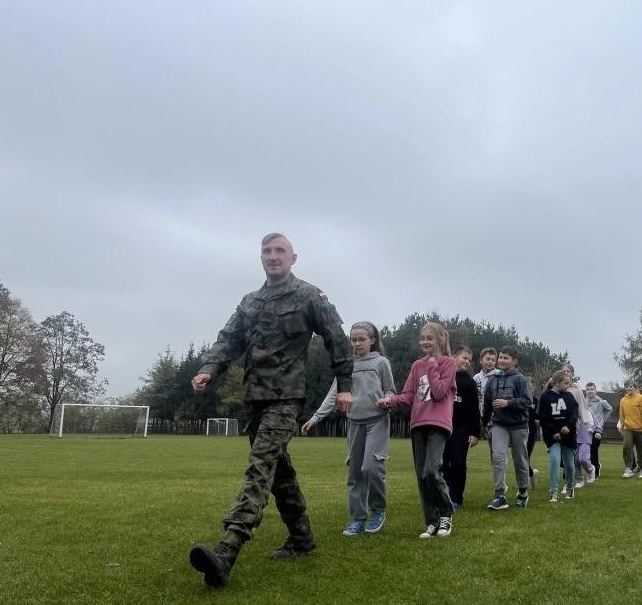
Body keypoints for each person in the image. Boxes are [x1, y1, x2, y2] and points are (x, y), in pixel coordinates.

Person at [188, 233, 354, 588]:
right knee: (279, 471)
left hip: (286, 398)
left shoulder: (310, 295)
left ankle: (227, 550)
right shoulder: (250, 301)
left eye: (280, 251)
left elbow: (336, 339)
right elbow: (227, 339)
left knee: (260, 467)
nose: (273, 256)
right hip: (254, 398)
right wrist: (208, 369)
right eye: (267, 251)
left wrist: (345, 387)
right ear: (260, 258)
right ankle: (302, 536)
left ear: (293, 258)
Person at [301, 321, 395, 535]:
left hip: (377, 421)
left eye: (361, 339)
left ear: (372, 340)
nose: (357, 343)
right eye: (353, 340)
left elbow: (390, 390)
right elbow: (334, 393)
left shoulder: (381, 363)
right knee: (354, 472)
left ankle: (378, 511)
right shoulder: (346, 365)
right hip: (354, 423)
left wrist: (387, 400)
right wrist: (316, 418)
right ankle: (358, 518)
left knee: (371, 468)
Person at [377, 322, 457, 538]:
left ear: (440, 339)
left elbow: (439, 392)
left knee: (432, 471)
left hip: (439, 424)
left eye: (429, 338)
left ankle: (446, 513)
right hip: (418, 425)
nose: (424, 342)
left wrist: (432, 365)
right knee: (422, 478)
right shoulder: (416, 365)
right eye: (422, 338)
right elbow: (410, 395)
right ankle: (431, 522)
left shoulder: (449, 363)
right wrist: (390, 400)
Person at [482, 345, 533, 509]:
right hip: (498, 425)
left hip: (519, 426)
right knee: (497, 457)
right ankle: (500, 495)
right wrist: (483, 425)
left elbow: (528, 402)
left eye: (506, 358)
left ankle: (523, 492)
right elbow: (487, 405)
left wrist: (508, 403)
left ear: (514, 361)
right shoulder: (492, 380)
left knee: (520, 460)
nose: (502, 360)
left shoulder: (520, 379)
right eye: (501, 357)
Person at [441, 346, 482, 510]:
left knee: (458, 462)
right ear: (454, 357)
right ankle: (445, 493)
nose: (467, 361)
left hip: (462, 429)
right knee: (442, 464)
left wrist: (475, 432)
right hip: (443, 428)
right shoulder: (444, 376)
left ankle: (456, 498)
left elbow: (474, 409)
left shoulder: (469, 382)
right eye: (464, 358)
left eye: (469, 360)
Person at [539, 371, 579, 501]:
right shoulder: (545, 397)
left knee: (569, 465)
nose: (568, 386)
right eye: (566, 383)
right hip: (553, 437)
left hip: (568, 436)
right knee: (555, 460)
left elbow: (574, 413)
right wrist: (554, 431)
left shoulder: (569, 397)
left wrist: (568, 426)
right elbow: (544, 418)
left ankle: (569, 487)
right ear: (557, 382)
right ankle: (554, 491)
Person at [561, 364, 595, 488]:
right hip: (565, 428)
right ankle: (578, 479)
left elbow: (584, 409)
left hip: (580, 427)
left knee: (581, 458)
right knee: (571, 458)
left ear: (572, 374)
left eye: (568, 371)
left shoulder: (576, 391)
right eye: (563, 371)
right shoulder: (558, 390)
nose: (565, 373)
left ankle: (591, 470)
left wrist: (589, 424)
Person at [618, 380, 642, 479]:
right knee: (626, 447)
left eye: (630, 386)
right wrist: (622, 427)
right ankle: (629, 468)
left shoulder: (640, 398)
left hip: (640, 429)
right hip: (627, 428)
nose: (628, 388)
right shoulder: (623, 400)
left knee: (640, 450)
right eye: (626, 386)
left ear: (635, 387)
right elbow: (622, 415)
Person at [585, 382, 614, 480]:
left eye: (592, 389)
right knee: (587, 452)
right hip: (586, 430)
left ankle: (596, 471)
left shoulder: (601, 401)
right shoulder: (584, 402)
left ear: (595, 390)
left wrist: (602, 421)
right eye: (588, 389)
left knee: (593, 450)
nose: (590, 391)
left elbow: (610, 409)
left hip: (597, 430)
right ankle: (595, 465)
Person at [473, 347, 499, 419]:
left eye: (493, 360)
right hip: (479, 416)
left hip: (496, 418)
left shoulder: (500, 375)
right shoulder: (476, 378)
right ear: (481, 360)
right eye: (488, 359)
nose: (490, 362)